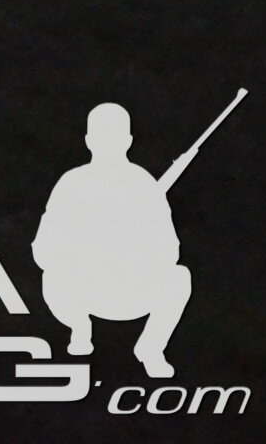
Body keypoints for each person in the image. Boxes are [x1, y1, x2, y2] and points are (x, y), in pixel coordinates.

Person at [34, 100, 193, 380]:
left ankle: (151, 348)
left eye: (115, 135)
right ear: (88, 140)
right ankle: (79, 327)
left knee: (180, 278)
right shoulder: (71, 183)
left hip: (133, 290)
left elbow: (171, 251)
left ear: (129, 140)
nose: (109, 142)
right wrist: (83, 253)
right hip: (82, 291)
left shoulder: (145, 185)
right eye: (102, 135)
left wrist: (134, 250)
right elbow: (43, 249)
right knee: (50, 277)